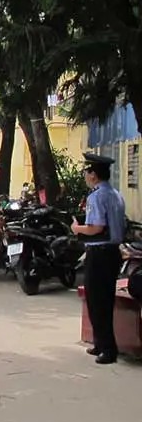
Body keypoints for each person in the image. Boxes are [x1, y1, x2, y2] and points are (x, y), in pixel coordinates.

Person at [71, 153, 127, 365]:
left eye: (87, 172)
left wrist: (77, 229)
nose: (85, 175)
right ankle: (100, 343)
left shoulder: (96, 197)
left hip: (100, 252)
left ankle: (107, 349)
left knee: (97, 301)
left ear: (94, 175)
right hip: (113, 252)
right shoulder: (116, 194)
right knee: (104, 299)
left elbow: (96, 228)